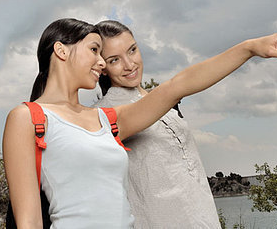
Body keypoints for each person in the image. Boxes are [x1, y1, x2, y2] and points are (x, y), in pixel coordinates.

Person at [3, 16, 277, 228]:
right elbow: (28, 222)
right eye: (96, 51)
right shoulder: (27, 118)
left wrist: (251, 48)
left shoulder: (108, 120)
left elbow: (178, 85)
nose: (101, 62)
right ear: (61, 50)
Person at [92, 20, 221, 228]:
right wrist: (250, 48)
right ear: (102, 67)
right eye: (114, 60)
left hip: (203, 219)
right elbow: (181, 84)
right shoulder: (104, 115)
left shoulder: (164, 104)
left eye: (132, 50)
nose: (129, 64)